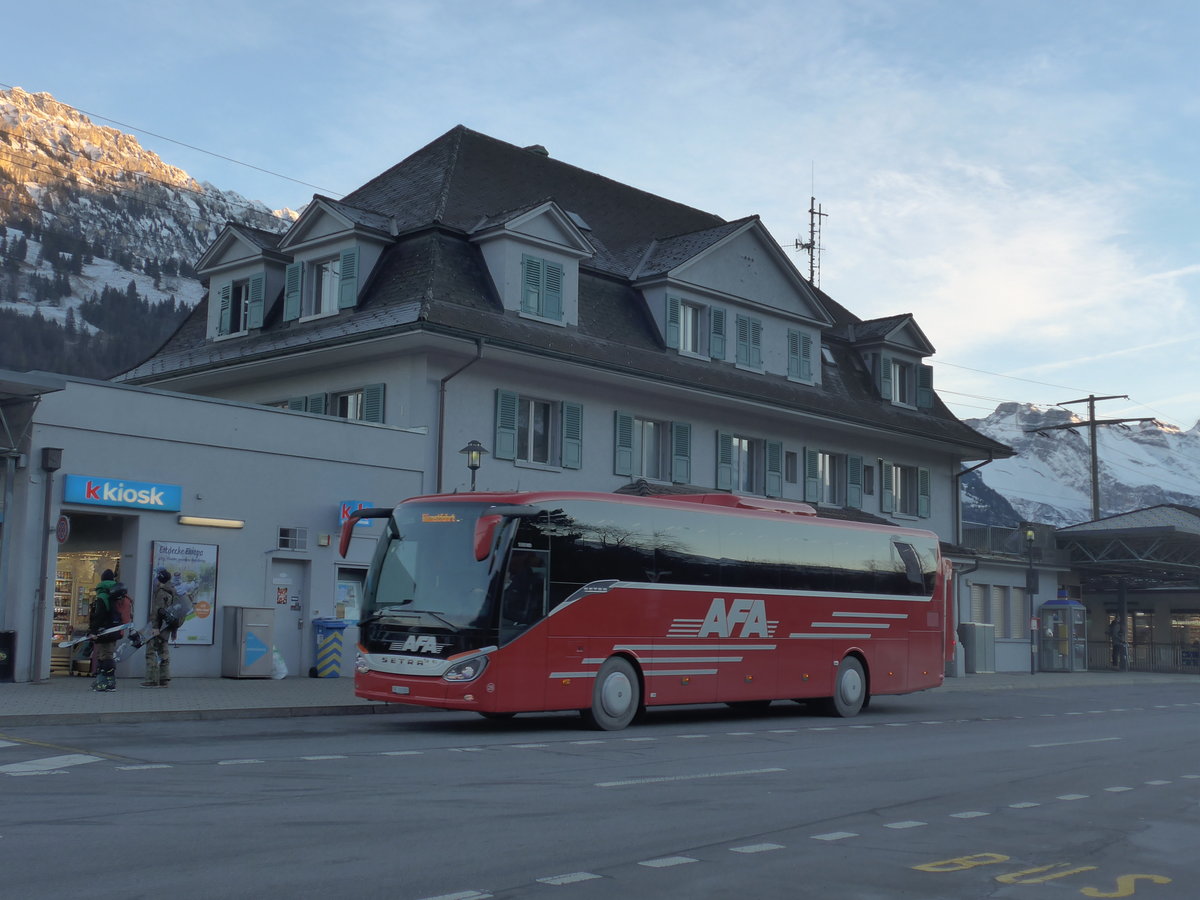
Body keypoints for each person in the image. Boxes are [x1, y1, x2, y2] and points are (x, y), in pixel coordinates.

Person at [87, 570, 131, 692]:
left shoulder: (103, 596)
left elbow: (99, 615)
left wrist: (93, 630)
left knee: (105, 655)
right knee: (105, 654)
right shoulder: (118, 594)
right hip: (115, 629)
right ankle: (102, 681)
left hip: (104, 630)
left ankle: (109, 683)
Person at [143, 567, 178, 687]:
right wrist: (174, 630)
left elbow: (156, 610)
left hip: (158, 627)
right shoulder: (173, 591)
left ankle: (151, 679)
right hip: (167, 626)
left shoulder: (161, 592)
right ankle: (164, 678)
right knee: (164, 650)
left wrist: (154, 627)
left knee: (151, 651)